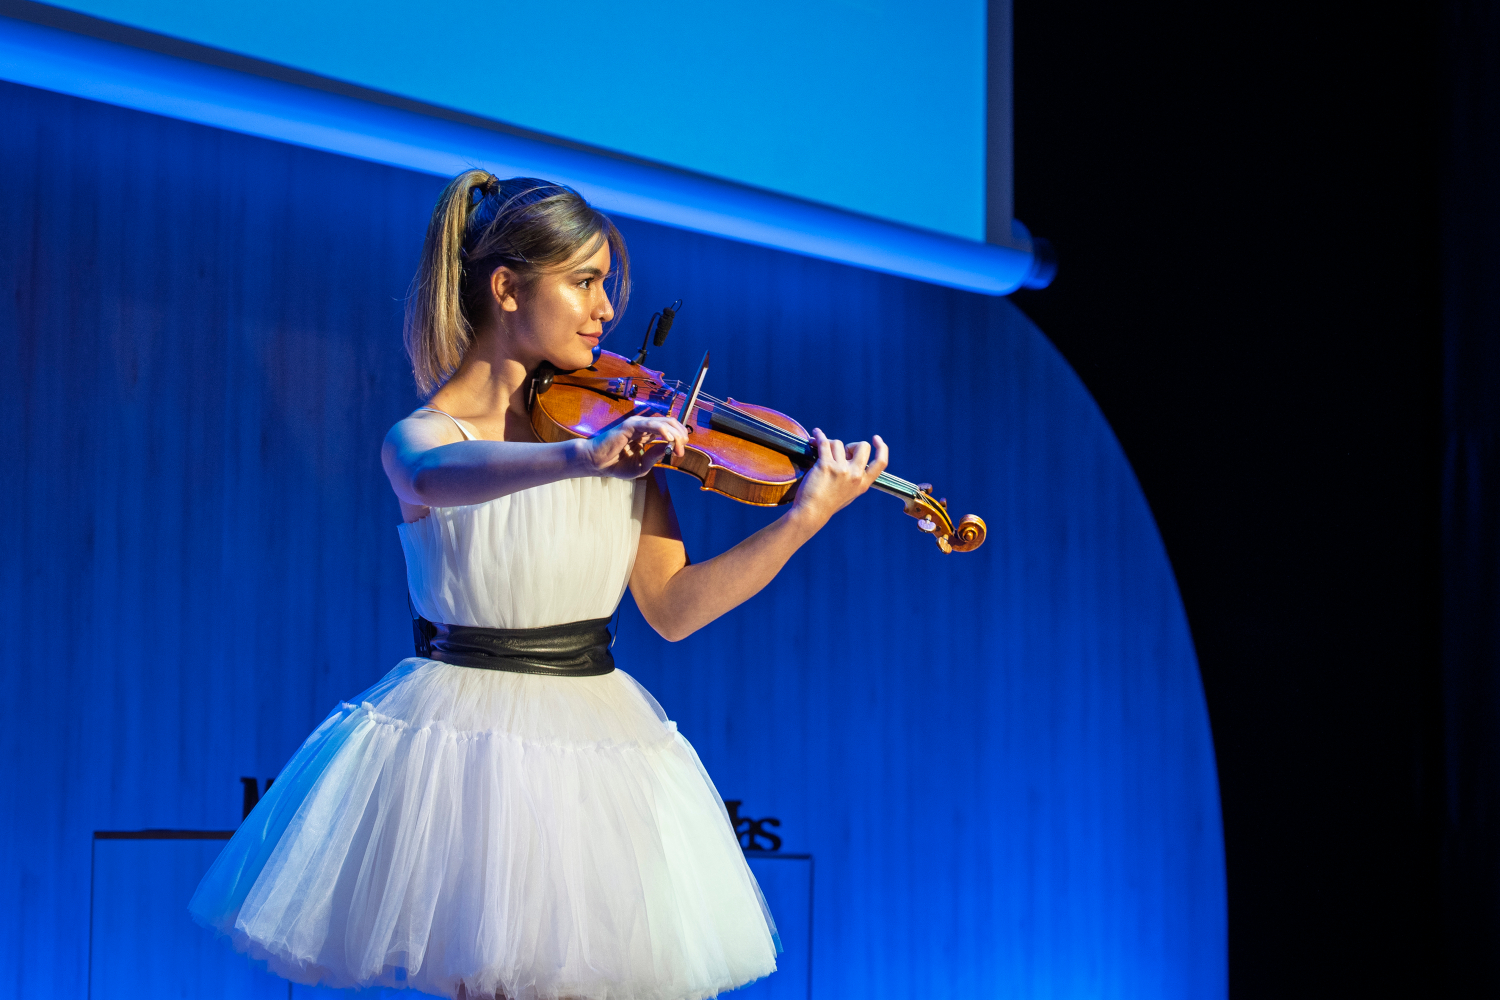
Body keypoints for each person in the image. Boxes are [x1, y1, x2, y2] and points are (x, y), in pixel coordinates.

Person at [190, 171, 888, 1000]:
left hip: (596, 745)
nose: (606, 310)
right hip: (463, 749)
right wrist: (580, 458)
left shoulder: (618, 433)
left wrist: (802, 519)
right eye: (585, 283)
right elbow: (437, 477)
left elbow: (674, 609)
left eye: (606, 286)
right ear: (507, 289)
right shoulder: (429, 436)